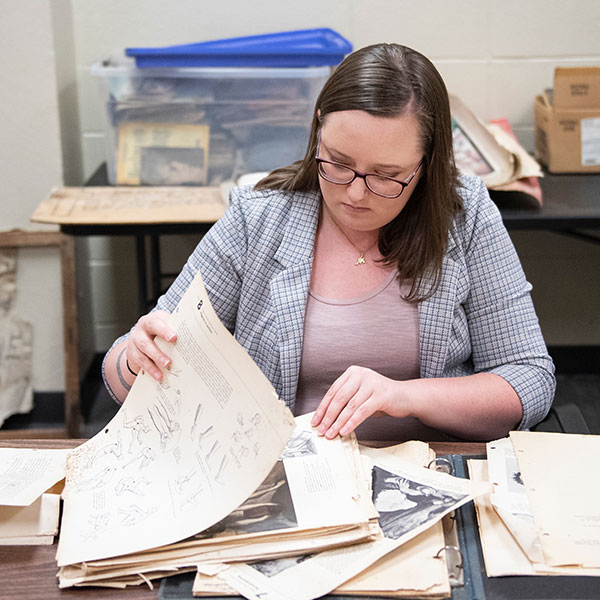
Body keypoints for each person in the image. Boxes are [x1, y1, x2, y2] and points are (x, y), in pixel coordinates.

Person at [102, 43, 555, 442]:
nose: (355, 193)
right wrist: (136, 360)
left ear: (427, 163)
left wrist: (406, 396)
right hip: (285, 479)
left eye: (387, 176)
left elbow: (529, 380)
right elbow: (123, 369)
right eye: (338, 162)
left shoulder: (464, 216)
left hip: (429, 472)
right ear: (318, 128)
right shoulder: (258, 220)